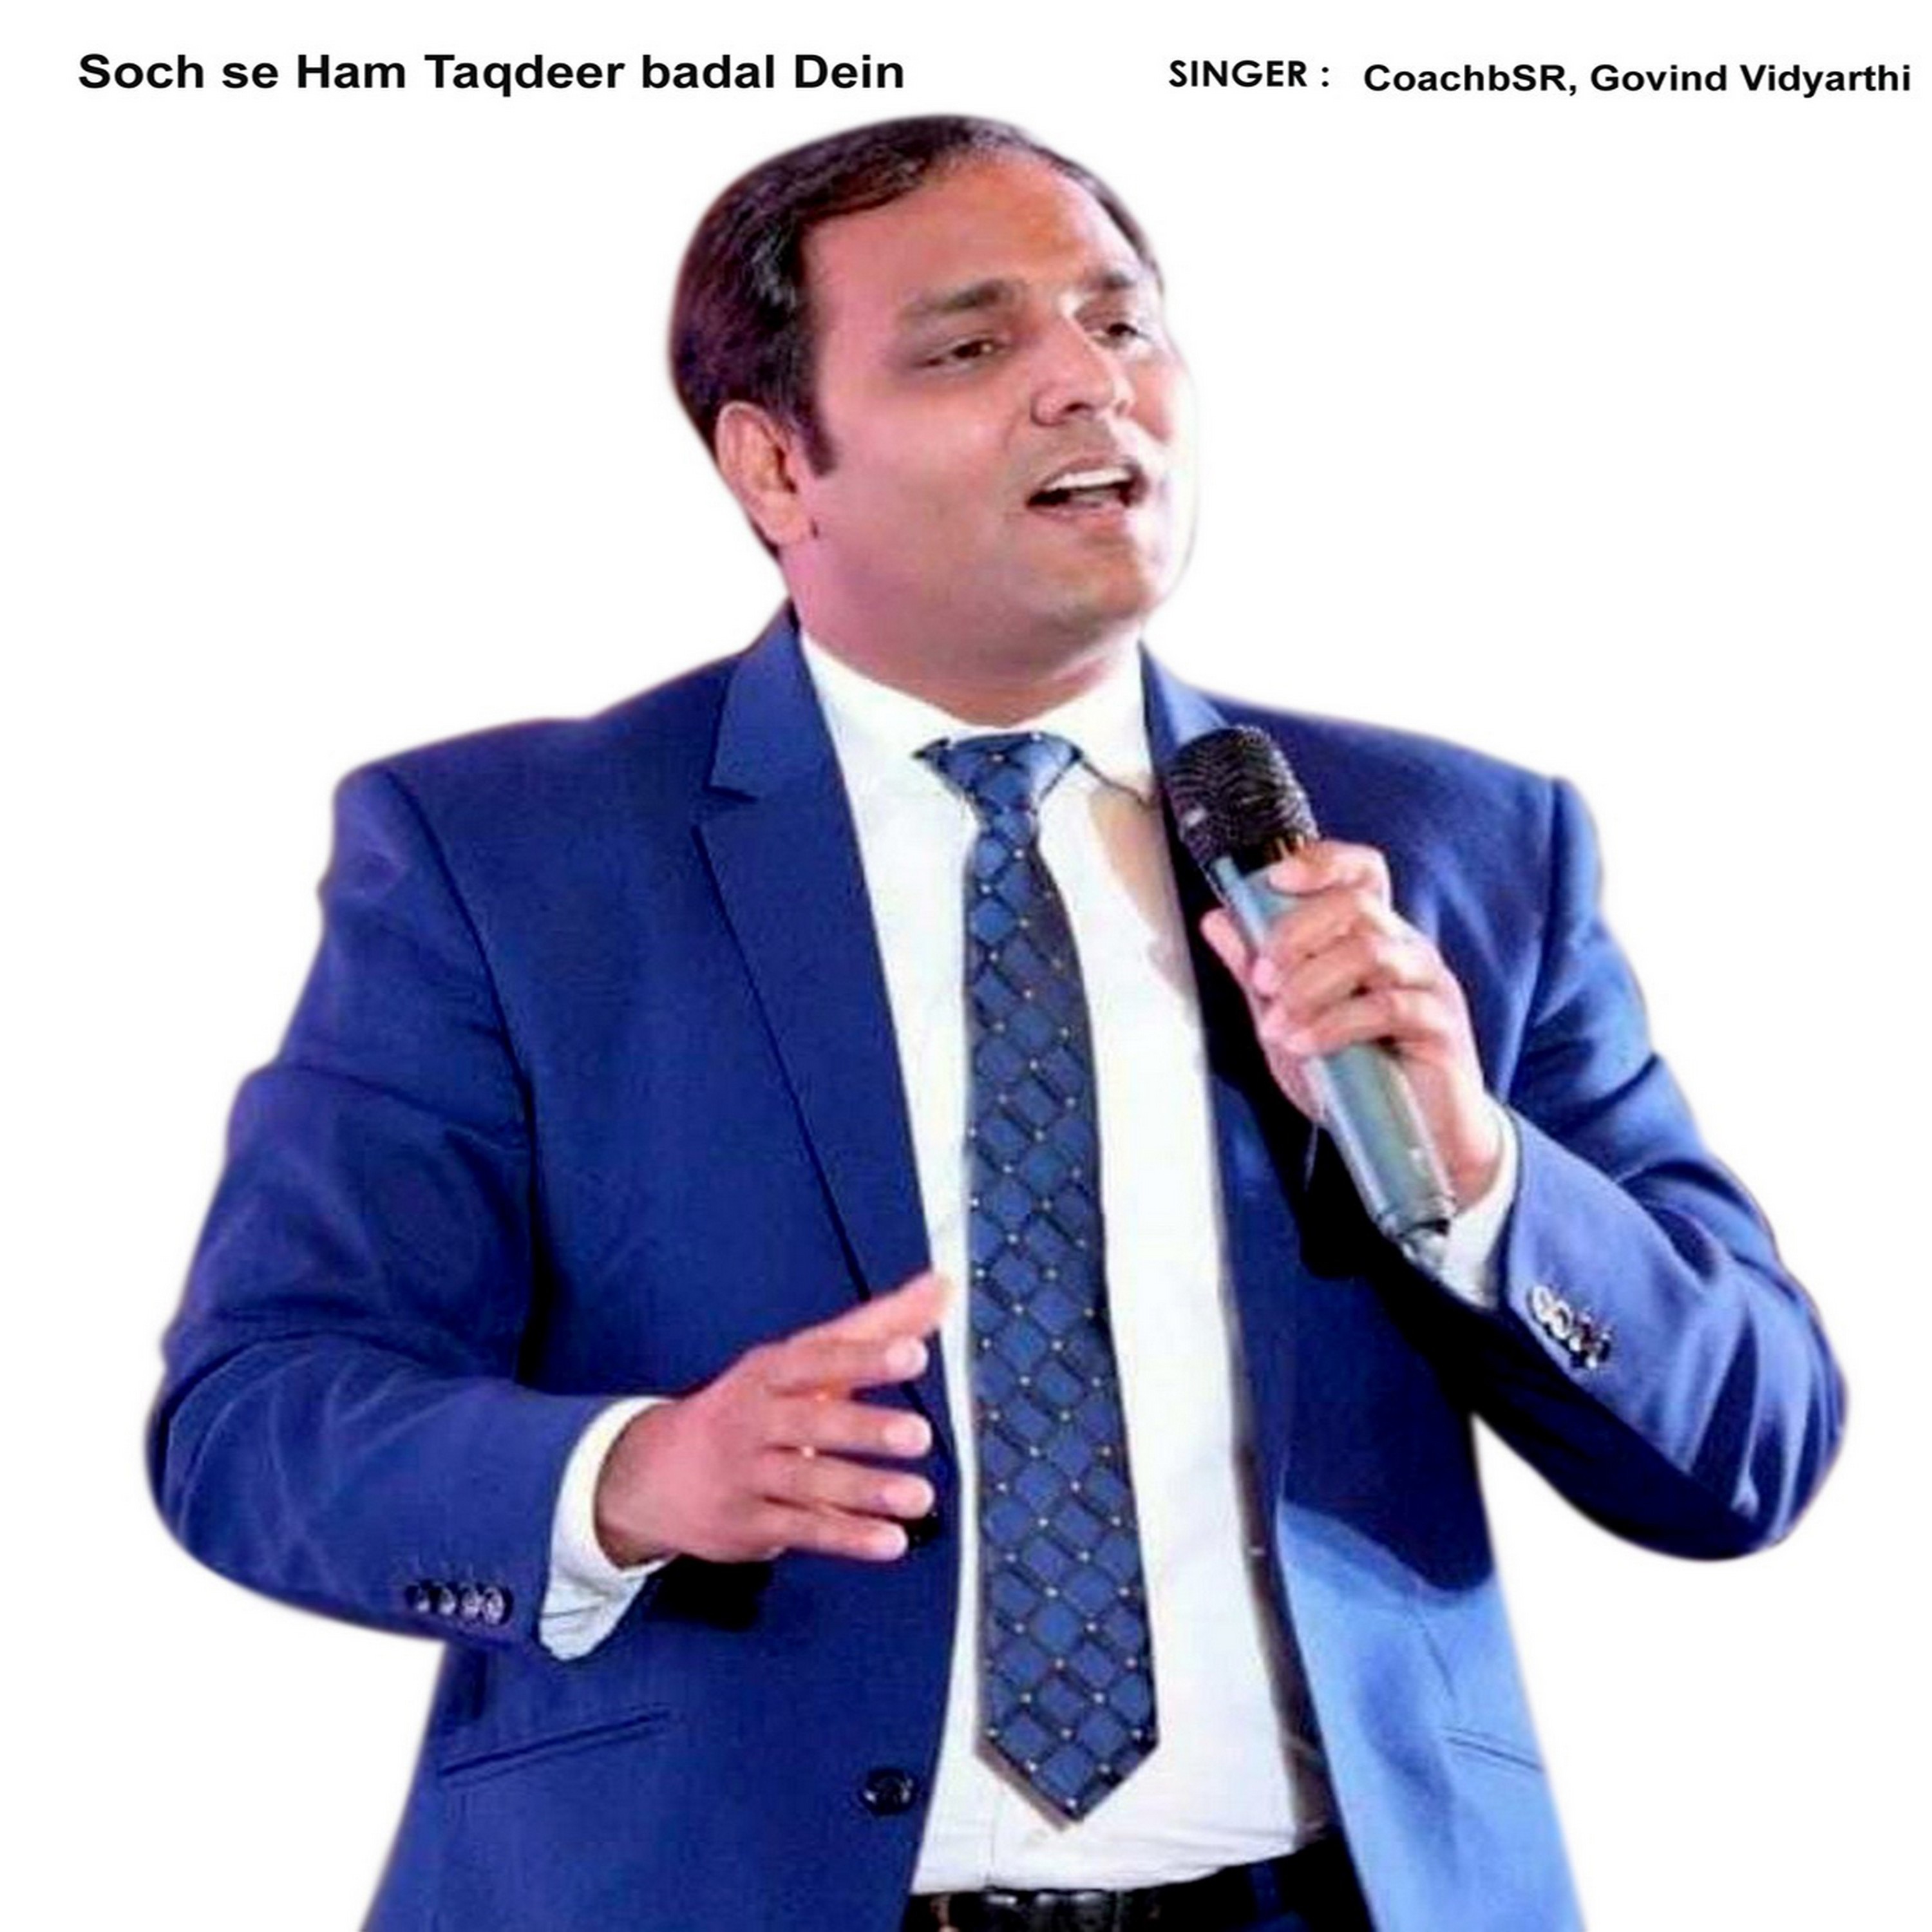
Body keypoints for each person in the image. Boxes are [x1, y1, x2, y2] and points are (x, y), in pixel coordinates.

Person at [150, 115, 1844, 1932]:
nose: (1082, 384)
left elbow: (1752, 1445)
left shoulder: (1451, 850)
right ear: (777, 462)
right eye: (970, 345)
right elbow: (260, 1418)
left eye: (1121, 324)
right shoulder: (508, 862)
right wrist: (634, 1477)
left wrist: (1482, 1182)